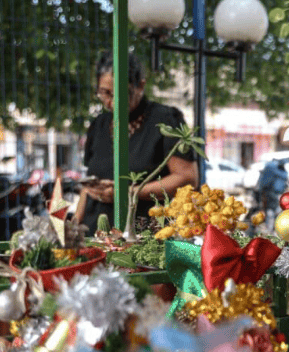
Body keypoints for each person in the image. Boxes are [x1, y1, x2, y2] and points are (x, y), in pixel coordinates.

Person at [75, 51, 198, 233]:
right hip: (95, 234)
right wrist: (74, 225)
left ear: (140, 86)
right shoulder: (99, 125)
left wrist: (128, 193)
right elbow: (88, 187)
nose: (112, 103)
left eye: (121, 94)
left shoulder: (166, 119)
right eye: (105, 93)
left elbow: (187, 178)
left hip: (143, 235)